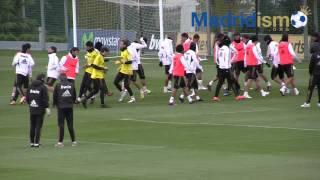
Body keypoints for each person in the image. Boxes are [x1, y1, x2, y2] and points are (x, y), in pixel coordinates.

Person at [212, 36, 245, 101]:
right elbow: (232, 55)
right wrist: (231, 61)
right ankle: (237, 96)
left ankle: (215, 97)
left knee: (220, 83)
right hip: (226, 68)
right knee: (231, 82)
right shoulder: (227, 49)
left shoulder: (220, 48)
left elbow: (218, 58)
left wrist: (220, 64)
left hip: (221, 68)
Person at [53, 73, 77, 147]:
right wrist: (71, 102)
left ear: (60, 78)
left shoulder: (58, 85)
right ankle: (74, 141)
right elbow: (74, 96)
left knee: (61, 125)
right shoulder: (71, 85)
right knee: (70, 125)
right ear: (66, 78)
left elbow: (55, 96)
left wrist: (55, 104)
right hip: (69, 107)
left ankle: (60, 142)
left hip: (61, 107)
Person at [26, 73, 50, 148]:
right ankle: (36, 143)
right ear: (42, 79)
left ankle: (32, 143)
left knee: (32, 126)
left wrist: (31, 104)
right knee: (38, 126)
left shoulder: (30, 86)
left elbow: (27, 98)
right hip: (40, 110)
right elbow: (45, 99)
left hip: (32, 109)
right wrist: (47, 107)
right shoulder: (43, 87)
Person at [301, 33, 320, 108]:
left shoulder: (314, 55)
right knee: (319, 87)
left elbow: (310, 66)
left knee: (310, 88)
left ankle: (307, 103)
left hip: (314, 74)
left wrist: (310, 73)